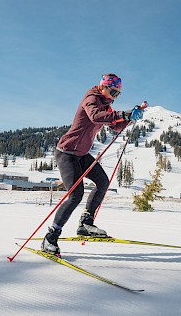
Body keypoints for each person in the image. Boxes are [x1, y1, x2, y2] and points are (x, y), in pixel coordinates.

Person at [42, 73, 144, 255]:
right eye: (113, 91)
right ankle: (50, 237)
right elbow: (96, 117)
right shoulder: (91, 98)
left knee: (103, 182)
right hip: (67, 153)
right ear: (103, 87)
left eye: (118, 94)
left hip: (82, 154)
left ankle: (85, 224)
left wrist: (130, 119)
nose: (114, 96)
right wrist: (124, 113)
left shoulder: (106, 104)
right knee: (75, 195)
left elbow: (115, 126)